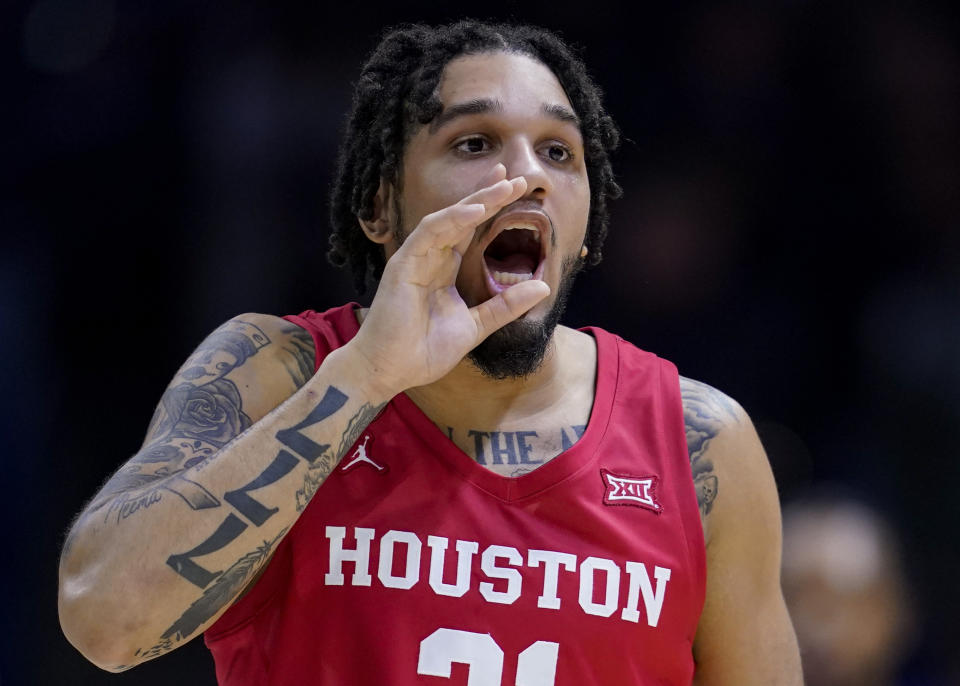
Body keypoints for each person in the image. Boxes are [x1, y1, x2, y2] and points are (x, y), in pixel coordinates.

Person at [58, 20, 802, 685]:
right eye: (474, 143)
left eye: (558, 151)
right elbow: (105, 622)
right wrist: (366, 377)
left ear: (585, 223)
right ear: (380, 206)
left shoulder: (699, 440)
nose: (527, 174)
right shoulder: (279, 369)